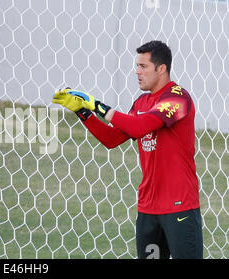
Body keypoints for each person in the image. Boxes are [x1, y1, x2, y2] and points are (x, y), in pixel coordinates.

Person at [53, 40, 203, 259]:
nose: (137, 72)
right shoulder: (141, 103)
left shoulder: (178, 98)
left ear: (161, 69)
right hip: (148, 208)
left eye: (143, 67)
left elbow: (140, 127)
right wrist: (82, 112)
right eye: (137, 66)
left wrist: (97, 105)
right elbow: (112, 138)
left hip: (179, 206)